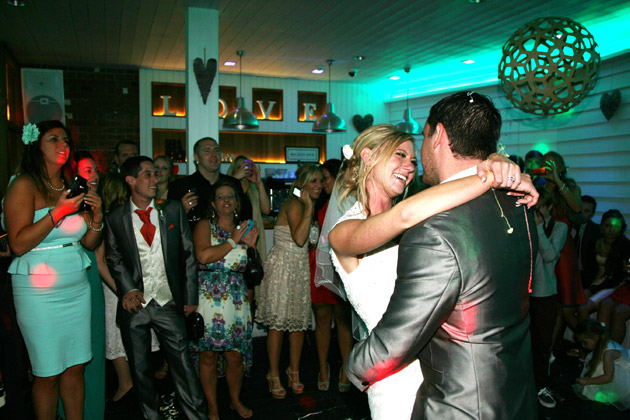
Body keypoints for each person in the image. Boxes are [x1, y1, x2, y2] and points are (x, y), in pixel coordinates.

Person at [342, 92, 538, 420]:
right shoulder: (519, 203)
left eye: (418, 143)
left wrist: (353, 370)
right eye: (399, 155)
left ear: (440, 136)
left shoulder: (433, 229)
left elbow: (395, 341)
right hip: (512, 391)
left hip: (458, 402)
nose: (412, 161)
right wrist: (493, 170)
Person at [4, 120, 103, 420]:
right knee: (47, 373)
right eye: (54, 139)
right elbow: (18, 244)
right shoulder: (23, 184)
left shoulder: (72, 184)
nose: (63, 144)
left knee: (75, 368)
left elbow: (87, 241)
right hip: (38, 291)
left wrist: (97, 217)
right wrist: (57, 212)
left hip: (76, 285)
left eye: (66, 140)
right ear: (37, 146)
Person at [103, 156, 206, 420]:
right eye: (147, 174)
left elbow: (188, 254)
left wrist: (190, 295)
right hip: (135, 306)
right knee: (140, 372)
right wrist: (127, 289)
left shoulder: (171, 210)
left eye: (155, 174)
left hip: (168, 301)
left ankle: (196, 416)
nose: (155, 179)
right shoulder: (115, 217)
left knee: (183, 366)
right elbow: (112, 257)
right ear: (131, 180)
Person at [190, 179, 258, 420]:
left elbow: (252, 268)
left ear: (237, 202)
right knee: (207, 354)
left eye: (230, 196)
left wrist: (251, 247)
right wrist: (233, 240)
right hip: (209, 297)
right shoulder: (204, 226)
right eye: (221, 197)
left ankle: (235, 400)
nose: (226, 200)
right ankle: (212, 407)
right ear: (213, 203)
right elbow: (203, 256)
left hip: (237, 298)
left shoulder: (245, 228)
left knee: (235, 356)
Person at [256, 163, 324, 399]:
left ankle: (293, 371)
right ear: (302, 183)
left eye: (320, 181)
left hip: (299, 267)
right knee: (277, 325)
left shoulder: (308, 206)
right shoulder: (296, 205)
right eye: (313, 181)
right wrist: (308, 208)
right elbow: (298, 238)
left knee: (297, 323)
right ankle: (273, 373)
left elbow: (308, 242)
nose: (319, 185)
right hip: (283, 267)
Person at [98, 173, 162, 405]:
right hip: (119, 286)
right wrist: (123, 290)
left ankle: (135, 386)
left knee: (134, 338)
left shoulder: (130, 217)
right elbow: (101, 260)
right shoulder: (109, 219)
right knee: (119, 337)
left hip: (132, 285)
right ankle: (129, 386)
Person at [309, 159, 353, 392]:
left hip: (343, 266)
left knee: (344, 320)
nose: (323, 183)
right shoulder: (318, 202)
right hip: (321, 263)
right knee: (323, 319)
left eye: (326, 178)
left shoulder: (350, 200)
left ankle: (346, 367)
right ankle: (323, 367)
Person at [530, 186, 567, 409]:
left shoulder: (559, 227)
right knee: (525, 342)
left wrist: (540, 229)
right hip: (524, 293)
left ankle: (541, 385)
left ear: (549, 207)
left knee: (542, 344)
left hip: (545, 294)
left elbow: (551, 256)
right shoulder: (527, 222)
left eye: (541, 207)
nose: (537, 211)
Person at [168, 137, 251, 228]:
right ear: (196, 157)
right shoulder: (180, 186)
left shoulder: (233, 184)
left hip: (231, 240)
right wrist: (182, 212)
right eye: (207, 151)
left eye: (216, 150)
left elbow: (246, 219)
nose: (214, 155)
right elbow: (169, 225)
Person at [227, 155, 271, 316]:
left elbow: (266, 210)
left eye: (247, 166)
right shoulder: (229, 189)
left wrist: (259, 182)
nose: (244, 169)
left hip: (251, 245)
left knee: (250, 291)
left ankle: (246, 331)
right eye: (240, 166)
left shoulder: (253, 190)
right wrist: (234, 179)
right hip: (232, 242)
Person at [573, 319, 630, 410]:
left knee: (600, 367)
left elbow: (608, 377)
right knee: (597, 363)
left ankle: (601, 395)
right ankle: (598, 392)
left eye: (585, 342)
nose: (583, 346)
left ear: (595, 337)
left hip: (627, 375)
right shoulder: (601, 345)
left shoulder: (608, 353)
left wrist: (587, 381)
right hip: (619, 368)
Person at [576, 195, 601, 289]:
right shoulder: (567, 225)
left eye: (587, 211)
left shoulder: (597, 231)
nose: (582, 213)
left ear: (592, 214)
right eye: (581, 209)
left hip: (586, 276)